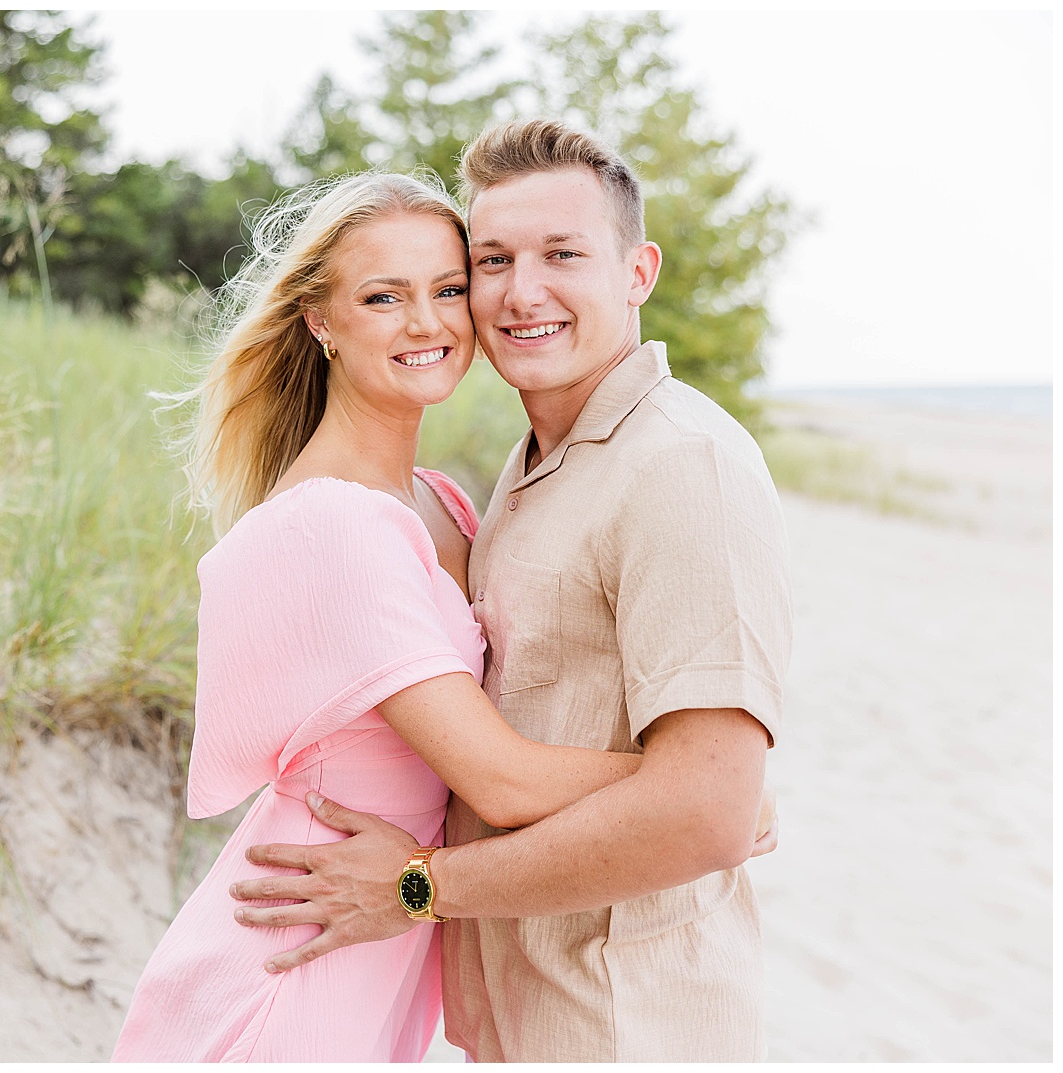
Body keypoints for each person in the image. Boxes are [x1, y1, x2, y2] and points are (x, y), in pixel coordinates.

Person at [230, 120, 794, 1062]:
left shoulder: (682, 466)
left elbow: (706, 811)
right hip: (517, 1017)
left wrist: (417, 886)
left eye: (563, 255)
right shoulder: (533, 470)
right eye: (491, 261)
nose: (521, 293)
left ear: (637, 272)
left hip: (623, 1024)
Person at [110, 171, 674, 1062]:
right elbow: (502, 779)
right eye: (384, 296)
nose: (429, 322)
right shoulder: (335, 523)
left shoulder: (441, 503)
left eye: (449, 289)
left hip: (380, 930)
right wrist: (693, 790)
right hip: (296, 953)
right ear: (321, 321)